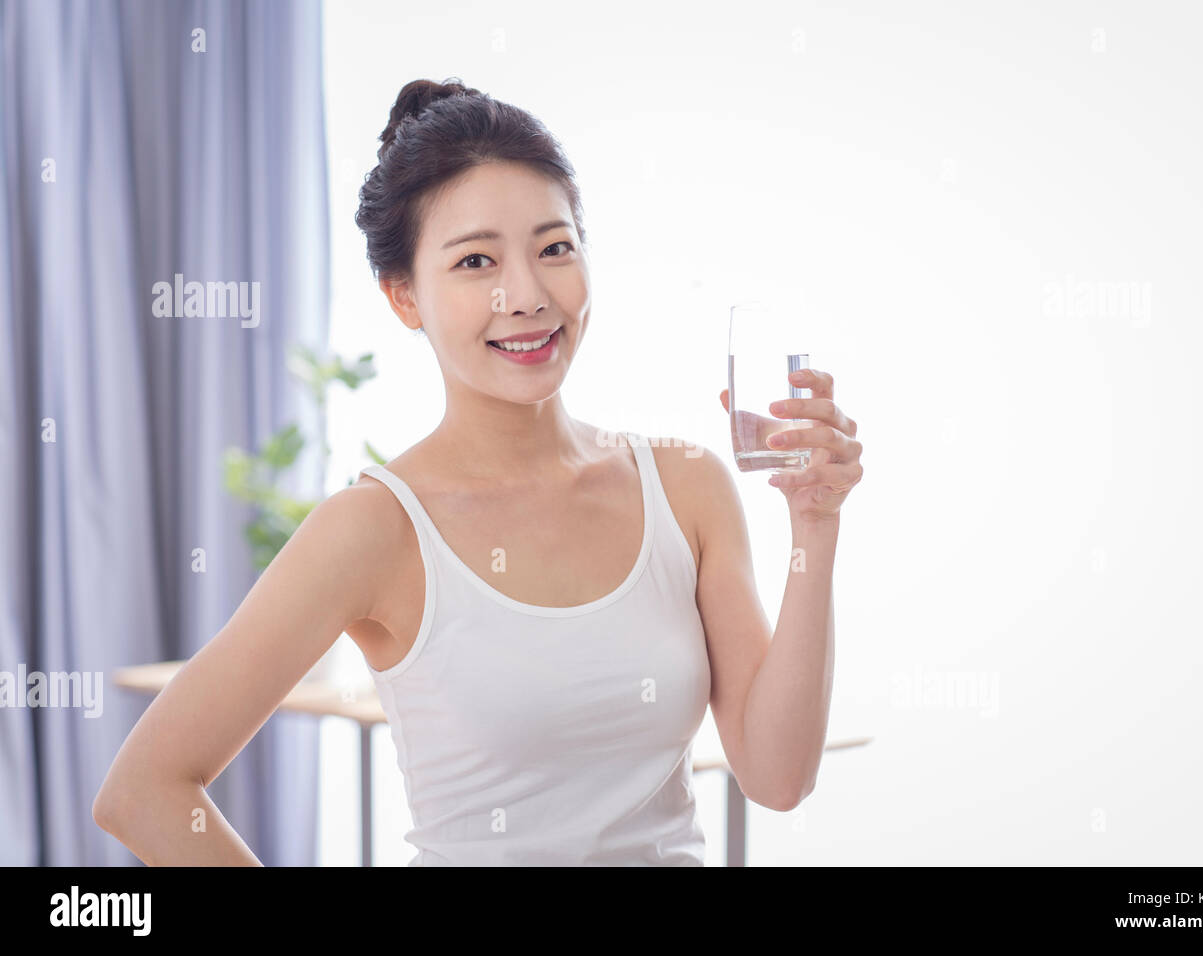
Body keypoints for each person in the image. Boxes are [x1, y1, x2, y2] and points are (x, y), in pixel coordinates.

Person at [93, 77, 863, 866]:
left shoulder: (687, 485)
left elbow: (776, 776)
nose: (525, 295)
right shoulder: (376, 529)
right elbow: (146, 790)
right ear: (404, 297)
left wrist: (815, 523)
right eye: (474, 261)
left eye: (554, 247)